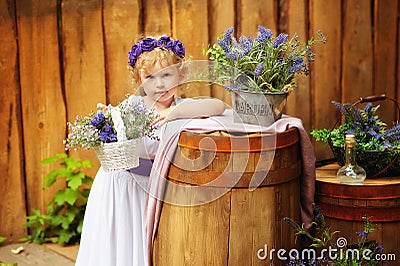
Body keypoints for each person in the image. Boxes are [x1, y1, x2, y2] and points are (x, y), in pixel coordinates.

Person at [75, 36, 225, 266]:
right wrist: (109, 118)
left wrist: (173, 114)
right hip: (123, 183)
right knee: (123, 238)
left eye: (167, 75)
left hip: (153, 186)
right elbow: (117, 126)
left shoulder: (181, 107)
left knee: (147, 242)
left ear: (181, 75)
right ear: (139, 80)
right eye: (150, 77)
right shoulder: (134, 106)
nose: (160, 85)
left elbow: (218, 106)